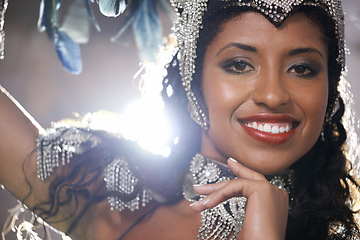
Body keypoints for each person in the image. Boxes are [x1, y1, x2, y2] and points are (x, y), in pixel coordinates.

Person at [0, 0, 359, 239]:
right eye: (239, 65)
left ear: (329, 91)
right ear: (193, 83)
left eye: (301, 68)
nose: (273, 95)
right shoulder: (112, 189)